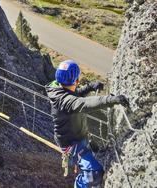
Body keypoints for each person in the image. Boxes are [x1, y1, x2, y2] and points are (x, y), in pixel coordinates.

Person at [45, 60, 129, 188]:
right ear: (75, 81)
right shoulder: (65, 101)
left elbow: (74, 94)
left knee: (95, 157)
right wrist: (111, 100)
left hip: (78, 137)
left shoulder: (59, 89)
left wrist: (90, 87)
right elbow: (83, 103)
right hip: (73, 144)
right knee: (93, 173)